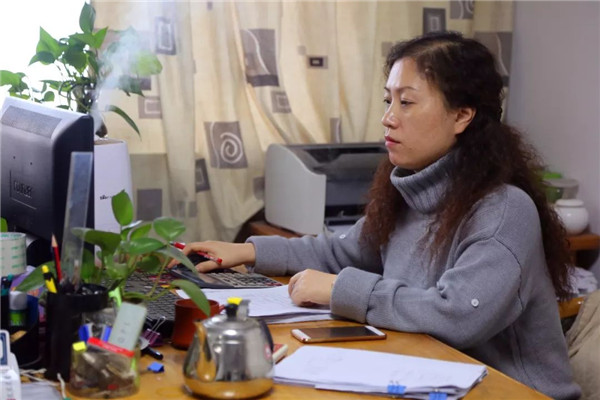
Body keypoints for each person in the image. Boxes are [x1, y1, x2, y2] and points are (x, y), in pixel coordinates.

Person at [179, 31, 581, 399]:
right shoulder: (410, 190)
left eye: (407, 102)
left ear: (462, 115)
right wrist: (247, 251)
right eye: (388, 100)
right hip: (432, 376)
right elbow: (343, 252)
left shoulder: (504, 209)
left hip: (513, 391)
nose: (388, 117)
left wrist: (340, 289)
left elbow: (458, 314)